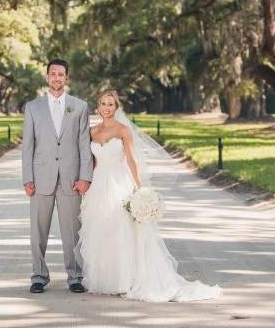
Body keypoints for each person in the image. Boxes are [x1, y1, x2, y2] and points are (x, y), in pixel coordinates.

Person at [75, 90, 222, 302]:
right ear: (98, 106)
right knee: (101, 230)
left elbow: (132, 160)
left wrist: (141, 189)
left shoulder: (124, 130)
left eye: (110, 105)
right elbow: (93, 162)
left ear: (116, 108)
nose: (106, 108)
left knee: (122, 230)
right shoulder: (92, 131)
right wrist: (88, 183)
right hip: (99, 183)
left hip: (120, 180)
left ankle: (127, 280)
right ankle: (108, 279)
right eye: (103, 104)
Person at [21, 58, 93, 294]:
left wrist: (85, 177)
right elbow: (28, 146)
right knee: (38, 231)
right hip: (41, 176)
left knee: (72, 230)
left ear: (66, 78)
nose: (56, 78)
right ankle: (39, 276)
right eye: (53, 74)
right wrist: (27, 177)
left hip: (71, 177)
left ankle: (75, 277)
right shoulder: (32, 107)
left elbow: (84, 144)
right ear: (47, 77)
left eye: (61, 74)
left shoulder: (79, 106)